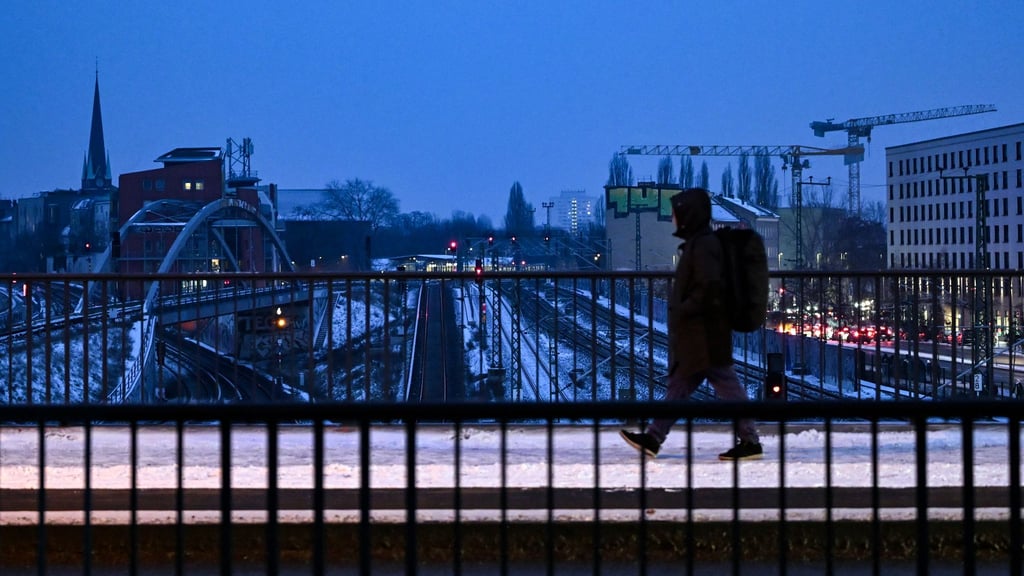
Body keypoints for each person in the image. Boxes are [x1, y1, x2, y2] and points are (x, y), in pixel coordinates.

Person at [620, 188, 762, 461]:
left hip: (705, 332)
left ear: (689, 215)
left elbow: (709, 286)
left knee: (725, 386)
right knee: (679, 385)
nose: (673, 218)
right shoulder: (699, 243)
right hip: (700, 332)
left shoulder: (704, 245)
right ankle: (653, 437)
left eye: (676, 213)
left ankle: (750, 440)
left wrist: (685, 309)